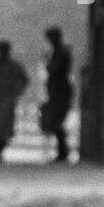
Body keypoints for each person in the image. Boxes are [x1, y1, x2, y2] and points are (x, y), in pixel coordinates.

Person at [41, 25, 74, 162]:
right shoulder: (58, 52)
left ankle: (63, 151)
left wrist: (48, 63)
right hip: (56, 91)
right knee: (56, 121)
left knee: (57, 121)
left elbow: (55, 69)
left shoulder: (61, 53)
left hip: (60, 91)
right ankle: (62, 151)